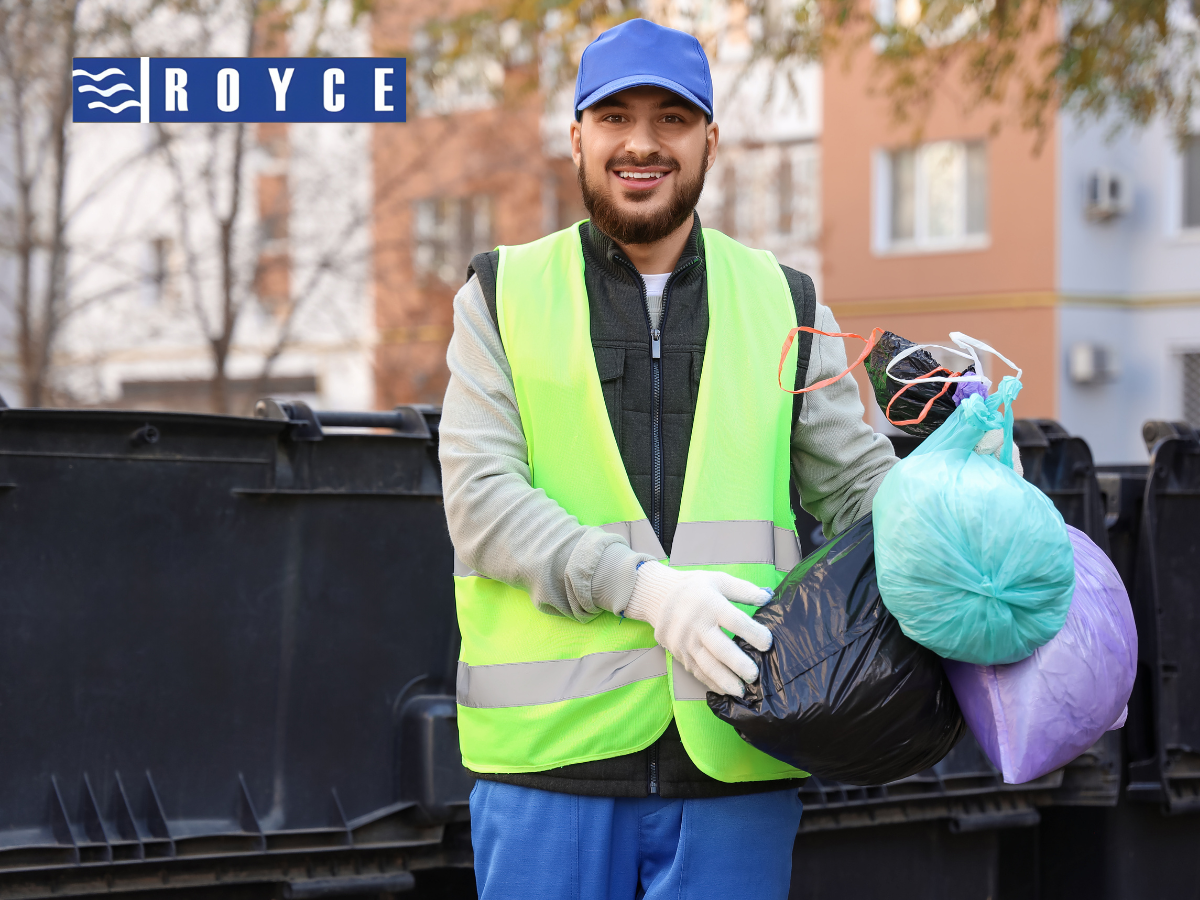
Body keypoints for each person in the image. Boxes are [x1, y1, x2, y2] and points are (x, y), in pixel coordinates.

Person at [440, 18, 896, 900]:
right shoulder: (500, 293)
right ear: (577, 136)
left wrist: (955, 483)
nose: (641, 143)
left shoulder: (785, 300)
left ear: (709, 141)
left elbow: (861, 494)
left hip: (736, 760)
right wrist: (650, 592)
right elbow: (482, 501)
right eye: (614, 117)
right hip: (551, 773)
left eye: (672, 119)